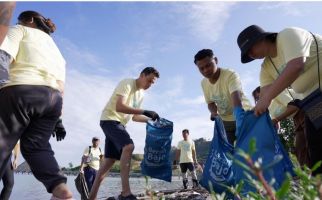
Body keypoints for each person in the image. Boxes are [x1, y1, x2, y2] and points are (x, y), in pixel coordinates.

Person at [0, 11, 73, 199]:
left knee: (3, 143)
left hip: (20, 90)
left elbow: (3, 57)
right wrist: (58, 120)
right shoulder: (57, 51)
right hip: (52, 100)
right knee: (36, 147)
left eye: (20, 19)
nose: (18, 22)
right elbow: (61, 89)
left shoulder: (20, 30)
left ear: (29, 20)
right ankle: (60, 189)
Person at [237, 24, 322, 175]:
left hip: (317, 95)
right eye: (247, 53)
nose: (250, 54)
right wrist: (251, 120)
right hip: (312, 102)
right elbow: (264, 96)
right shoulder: (266, 67)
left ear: (262, 39)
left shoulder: (288, 35)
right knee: (316, 151)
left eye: (251, 48)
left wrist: (266, 99)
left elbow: (296, 65)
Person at [89, 67, 160, 200]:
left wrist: (150, 120)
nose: (150, 85)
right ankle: (125, 193)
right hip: (109, 119)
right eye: (149, 80)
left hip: (119, 124)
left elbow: (135, 117)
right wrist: (144, 111)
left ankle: (91, 198)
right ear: (142, 75)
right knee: (129, 146)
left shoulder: (141, 95)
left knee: (108, 163)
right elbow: (119, 106)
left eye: (152, 83)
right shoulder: (127, 83)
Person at [194, 49, 252, 145]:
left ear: (216, 60)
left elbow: (236, 100)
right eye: (201, 68)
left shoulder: (230, 75)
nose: (206, 70)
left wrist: (240, 122)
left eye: (208, 65)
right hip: (226, 122)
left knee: (250, 149)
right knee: (231, 153)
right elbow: (210, 103)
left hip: (243, 116)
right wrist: (213, 113)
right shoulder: (204, 83)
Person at [252, 86, 309, 166]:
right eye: (257, 99)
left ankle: (310, 173)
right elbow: (276, 119)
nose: (259, 100)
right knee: (300, 148)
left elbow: (294, 107)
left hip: (306, 110)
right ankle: (309, 174)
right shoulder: (269, 106)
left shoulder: (277, 94)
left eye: (260, 97)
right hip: (296, 118)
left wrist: (276, 120)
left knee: (306, 146)